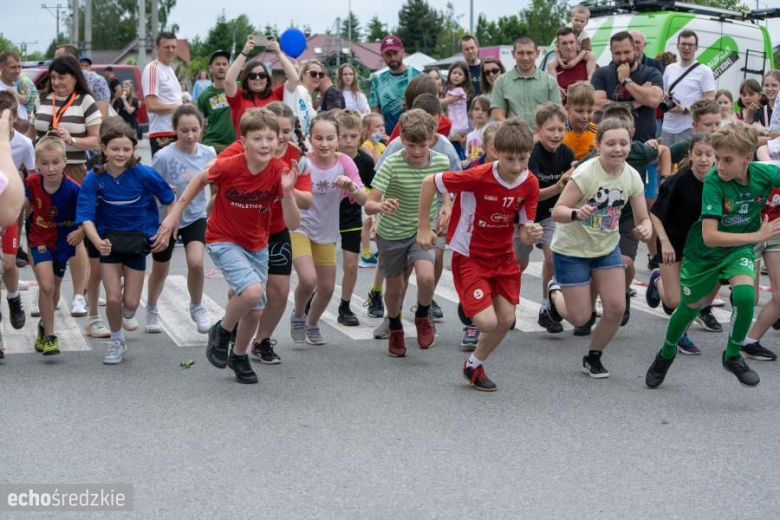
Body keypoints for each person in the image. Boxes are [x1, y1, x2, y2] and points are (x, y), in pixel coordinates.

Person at [158, 108, 300, 384]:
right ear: (244, 141)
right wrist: (175, 212)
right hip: (223, 238)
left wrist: (286, 193)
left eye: (270, 138)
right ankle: (221, 331)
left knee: (255, 309)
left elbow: (293, 223)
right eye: (257, 138)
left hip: (256, 243)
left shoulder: (279, 171)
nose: (265, 144)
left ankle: (239, 355)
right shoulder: (230, 165)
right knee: (253, 292)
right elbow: (201, 178)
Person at [645, 122, 780, 389]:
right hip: (704, 254)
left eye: (727, 160)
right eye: (717, 158)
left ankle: (732, 355)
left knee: (745, 296)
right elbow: (710, 236)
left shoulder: (764, 174)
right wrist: (757, 235)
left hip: (738, 249)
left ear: (748, 157)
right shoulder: (714, 183)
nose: (719, 165)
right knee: (687, 307)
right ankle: (666, 353)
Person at [418, 118, 542, 391]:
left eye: (523, 159)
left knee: (506, 320)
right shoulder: (478, 175)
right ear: (495, 151)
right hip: (470, 255)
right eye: (510, 159)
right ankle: (473, 303)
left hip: (503, 256)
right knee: (487, 322)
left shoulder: (530, 183)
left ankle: (473, 365)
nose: (517, 166)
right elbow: (429, 182)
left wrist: (530, 233)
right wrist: (424, 228)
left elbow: (524, 231)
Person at [546, 117, 652, 378]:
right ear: (598, 145)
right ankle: (554, 293)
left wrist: (646, 228)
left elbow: (643, 218)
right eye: (611, 143)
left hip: (606, 248)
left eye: (623, 143)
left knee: (616, 308)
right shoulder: (586, 173)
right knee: (580, 318)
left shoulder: (632, 176)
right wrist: (576, 213)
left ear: (630, 144)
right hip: (572, 250)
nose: (618, 149)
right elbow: (558, 211)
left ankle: (593, 356)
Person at [77, 117, 176, 365]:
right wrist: (97, 241)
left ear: (133, 149)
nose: (120, 154)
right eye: (114, 149)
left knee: (130, 304)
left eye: (126, 149)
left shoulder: (143, 173)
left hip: (137, 242)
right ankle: (117, 341)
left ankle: (125, 310)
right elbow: (86, 216)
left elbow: (170, 199)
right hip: (109, 242)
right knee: (113, 298)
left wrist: (166, 229)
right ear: (104, 148)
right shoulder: (94, 177)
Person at [370, 94, 460, 340]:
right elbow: (376, 193)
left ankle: (424, 313)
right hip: (396, 222)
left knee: (428, 270)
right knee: (398, 282)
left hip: (429, 220)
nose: (417, 150)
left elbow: (450, 185)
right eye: (412, 144)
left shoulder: (444, 152)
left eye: (424, 141)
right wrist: (377, 216)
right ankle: (393, 320)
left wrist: (447, 207)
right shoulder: (395, 152)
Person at [289, 113, 367, 346]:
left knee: (326, 288)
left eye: (330, 138)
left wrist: (351, 187)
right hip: (299, 227)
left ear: (338, 139)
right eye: (319, 138)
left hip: (326, 231)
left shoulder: (345, 162)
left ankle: (312, 322)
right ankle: (298, 314)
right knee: (308, 280)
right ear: (310, 139)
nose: (324, 144)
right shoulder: (302, 161)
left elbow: (364, 199)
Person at [34, 55, 101, 319]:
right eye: (53, 78)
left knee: (75, 234)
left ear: (74, 77)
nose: (57, 82)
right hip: (42, 172)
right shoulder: (42, 99)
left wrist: (71, 139)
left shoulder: (85, 101)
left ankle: (78, 296)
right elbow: (33, 133)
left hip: (72, 171)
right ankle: (47, 293)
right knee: (43, 233)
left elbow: (96, 141)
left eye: (62, 77)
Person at [145, 105, 216, 335]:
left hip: (195, 216)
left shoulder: (209, 153)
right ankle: (152, 308)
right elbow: (150, 188)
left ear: (201, 128)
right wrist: (163, 191)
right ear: (174, 129)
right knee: (160, 269)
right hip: (166, 219)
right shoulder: (163, 156)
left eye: (195, 129)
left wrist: (211, 214)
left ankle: (196, 306)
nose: (190, 135)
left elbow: (216, 187)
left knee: (196, 263)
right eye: (184, 130)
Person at [646, 133, 716, 355]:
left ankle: (680, 334)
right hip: (672, 242)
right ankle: (658, 280)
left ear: (715, 156)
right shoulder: (678, 181)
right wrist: (664, 242)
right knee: (673, 300)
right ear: (690, 154)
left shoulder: (719, 182)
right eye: (699, 153)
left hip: (699, 247)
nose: (703, 159)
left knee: (692, 297)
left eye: (709, 154)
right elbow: (655, 214)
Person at [516, 103, 576, 333]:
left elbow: (572, 190)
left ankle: (546, 308)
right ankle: (508, 301)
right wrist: (560, 184)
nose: (556, 134)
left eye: (561, 129)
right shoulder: (531, 154)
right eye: (551, 129)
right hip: (525, 215)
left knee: (552, 258)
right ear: (537, 130)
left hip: (551, 215)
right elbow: (531, 195)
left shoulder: (567, 154)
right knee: (517, 264)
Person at [25, 136, 82, 356]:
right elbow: (19, 205)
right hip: (39, 239)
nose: (50, 168)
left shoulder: (74, 189)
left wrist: (81, 232)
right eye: (45, 163)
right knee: (47, 286)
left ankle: (43, 325)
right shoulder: (31, 182)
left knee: (54, 289)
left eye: (55, 162)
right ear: (37, 164)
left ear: (65, 162)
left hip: (63, 242)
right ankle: (50, 335)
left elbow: (88, 215)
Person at [335, 110, 376, 326]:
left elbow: (375, 191)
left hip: (351, 218)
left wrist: (376, 217)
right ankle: (311, 297)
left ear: (361, 135)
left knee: (351, 266)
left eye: (353, 136)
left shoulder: (365, 161)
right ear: (336, 135)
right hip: (325, 218)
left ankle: (345, 305)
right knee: (320, 267)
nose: (348, 141)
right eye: (344, 136)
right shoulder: (327, 156)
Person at [591, 31, 663, 142]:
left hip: (643, 144)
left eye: (626, 52)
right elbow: (597, 105)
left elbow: (654, 100)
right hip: (610, 144)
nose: (623, 57)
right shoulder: (601, 74)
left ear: (634, 49)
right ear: (611, 52)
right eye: (617, 53)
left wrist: (626, 80)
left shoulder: (651, 73)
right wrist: (637, 102)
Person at [225, 35, 300, 136]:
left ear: (267, 80)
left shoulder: (275, 95)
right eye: (252, 76)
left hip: (271, 144)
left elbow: (294, 79)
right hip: (245, 145)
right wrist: (245, 52)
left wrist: (278, 53)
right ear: (246, 80)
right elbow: (229, 81)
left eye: (262, 75)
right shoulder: (238, 98)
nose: (258, 78)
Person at [0, 92, 31, 330]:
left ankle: (13, 298)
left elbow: (33, 179)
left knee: (9, 265)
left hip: (9, 209)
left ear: (14, 118)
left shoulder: (24, 143)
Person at [490, 36, 562, 127]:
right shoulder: (501, 82)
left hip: (542, 135)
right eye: (520, 53)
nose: (525, 58)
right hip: (512, 135)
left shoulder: (550, 82)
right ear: (513, 54)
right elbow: (498, 116)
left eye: (529, 53)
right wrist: (515, 132)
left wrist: (540, 133)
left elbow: (556, 115)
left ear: (537, 53)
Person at [661, 31, 716, 146]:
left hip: (689, 127)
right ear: (677, 46)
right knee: (666, 157)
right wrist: (664, 97)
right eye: (683, 44)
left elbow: (710, 99)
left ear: (696, 48)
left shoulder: (704, 71)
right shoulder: (669, 69)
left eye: (690, 45)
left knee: (685, 158)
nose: (686, 48)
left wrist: (685, 109)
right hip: (667, 126)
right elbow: (663, 92)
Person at [369, 34, 421, 136]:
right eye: (388, 54)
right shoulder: (377, 81)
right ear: (382, 55)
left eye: (395, 53)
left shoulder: (418, 77)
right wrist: (378, 139)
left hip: (414, 136)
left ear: (402, 52)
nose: (393, 58)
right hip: (387, 138)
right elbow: (374, 115)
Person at [142, 32, 183, 156]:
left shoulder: (170, 69)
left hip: (177, 131)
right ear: (157, 48)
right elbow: (151, 106)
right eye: (166, 47)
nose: (171, 50)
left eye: (173, 47)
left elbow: (172, 100)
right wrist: (180, 108)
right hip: (162, 134)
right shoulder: (152, 69)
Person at [387, 75, 453, 142]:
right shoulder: (404, 125)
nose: (428, 102)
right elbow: (392, 146)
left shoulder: (445, 124)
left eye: (433, 97)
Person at [55, 45, 111, 118]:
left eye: (58, 60)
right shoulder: (54, 80)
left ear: (72, 60)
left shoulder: (97, 80)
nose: (54, 63)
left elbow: (101, 115)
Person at [197, 50, 234, 154]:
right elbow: (200, 123)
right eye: (217, 64)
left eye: (224, 64)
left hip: (236, 145)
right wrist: (196, 148)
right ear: (210, 68)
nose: (221, 67)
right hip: (212, 145)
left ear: (229, 67)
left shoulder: (239, 88)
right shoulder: (204, 95)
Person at [547, 27, 590, 104]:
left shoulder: (589, 64)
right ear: (558, 46)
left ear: (577, 44)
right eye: (564, 43)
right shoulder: (552, 69)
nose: (569, 47)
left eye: (571, 42)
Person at [440, 61, 472, 159]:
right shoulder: (448, 89)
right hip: (454, 124)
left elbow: (443, 102)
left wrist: (432, 99)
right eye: (454, 73)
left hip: (458, 125)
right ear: (450, 74)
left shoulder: (460, 92)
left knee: (454, 149)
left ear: (464, 78)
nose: (456, 76)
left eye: (460, 74)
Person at [562, 81, 597, 160]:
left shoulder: (597, 132)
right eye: (579, 111)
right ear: (567, 109)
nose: (585, 116)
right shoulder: (559, 134)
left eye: (590, 111)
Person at [0, 51, 29, 120]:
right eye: (13, 67)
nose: (17, 71)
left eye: (19, 67)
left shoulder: (20, 85)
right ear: (1, 67)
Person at [464, 96, 490, 166]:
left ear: (488, 113)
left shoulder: (489, 132)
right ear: (471, 111)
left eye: (484, 110)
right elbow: (468, 158)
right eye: (477, 109)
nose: (480, 112)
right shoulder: (470, 136)